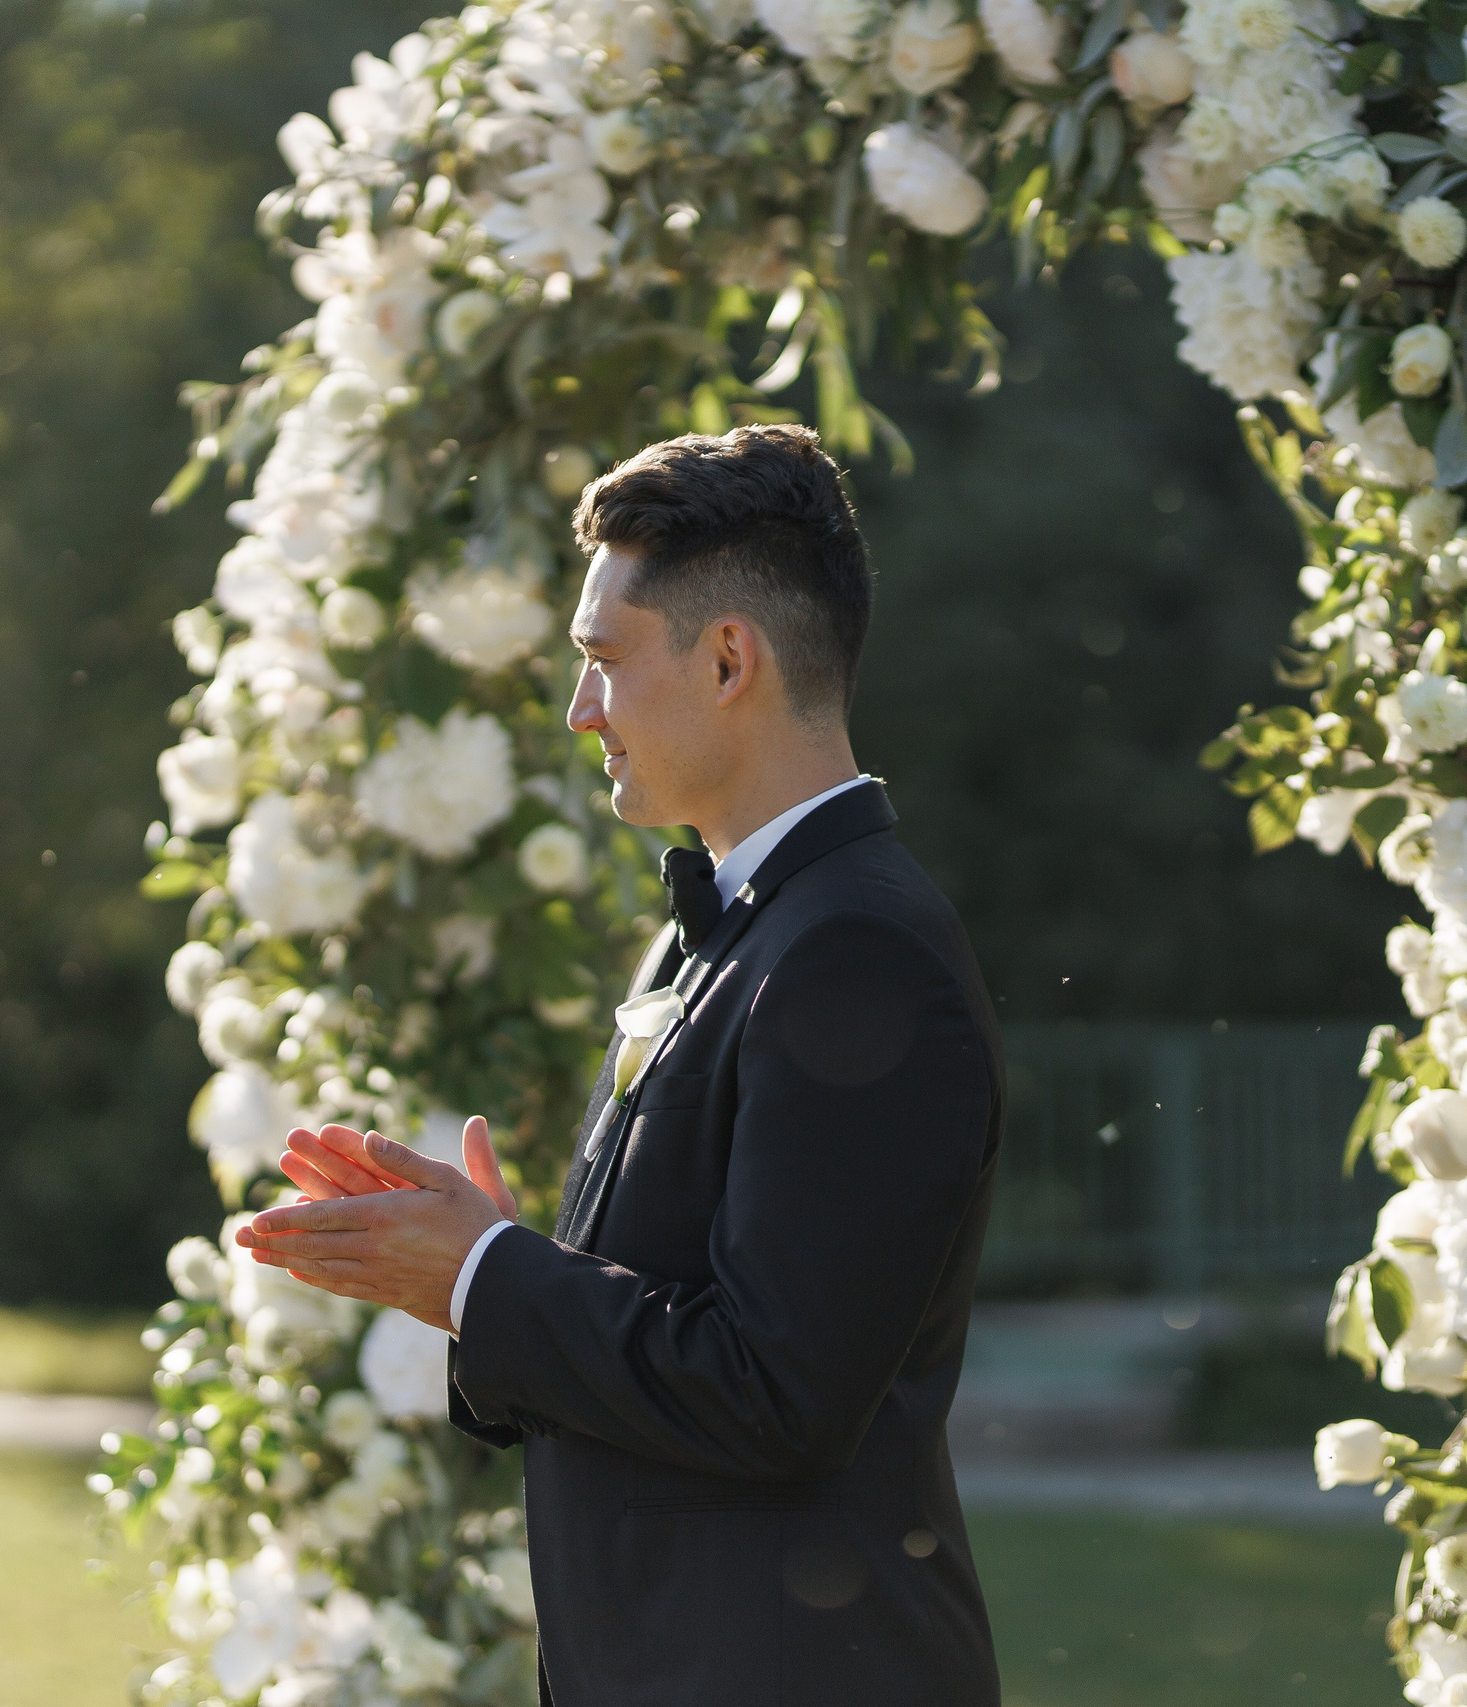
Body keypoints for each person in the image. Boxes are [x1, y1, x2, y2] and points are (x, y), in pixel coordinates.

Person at [235, 423, 1006, 1707]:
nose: (581, 706)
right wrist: (476, 1274)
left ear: (725, 660)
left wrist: (492, 1276)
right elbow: (690, 1317)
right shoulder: (728, 925)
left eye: (601, 661)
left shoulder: (859, 952)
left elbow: (779, 1392)